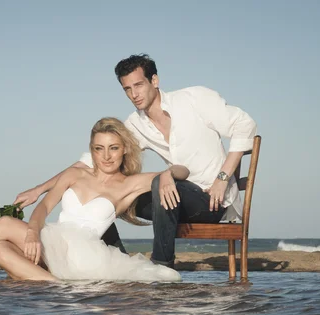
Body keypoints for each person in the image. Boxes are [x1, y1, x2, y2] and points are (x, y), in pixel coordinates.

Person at [15, 54, 257, 268]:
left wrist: (222, 178)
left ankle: (162, 265)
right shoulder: (135, 125)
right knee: (106, 192)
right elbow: (89, 163)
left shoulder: (194, 99)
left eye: (139, 85)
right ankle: (116, 259)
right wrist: (38, 190)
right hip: (172, 200)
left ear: (154, 81)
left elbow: (245, 125)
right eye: (127, 89)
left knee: (155, 185)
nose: (134, 94)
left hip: (211, 201)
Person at [0, 117, 186, 282]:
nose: (106, 156)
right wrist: (32, 234)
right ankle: (53, 284)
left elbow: (183, 171)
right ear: (92, 150)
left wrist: (166, 174)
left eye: (113, 148)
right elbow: (44, 207)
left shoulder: (128, 184)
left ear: (124, 149)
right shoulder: (74, 174)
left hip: (83, 255)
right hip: (54, 240)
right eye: (99, 148)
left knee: (4, 224)